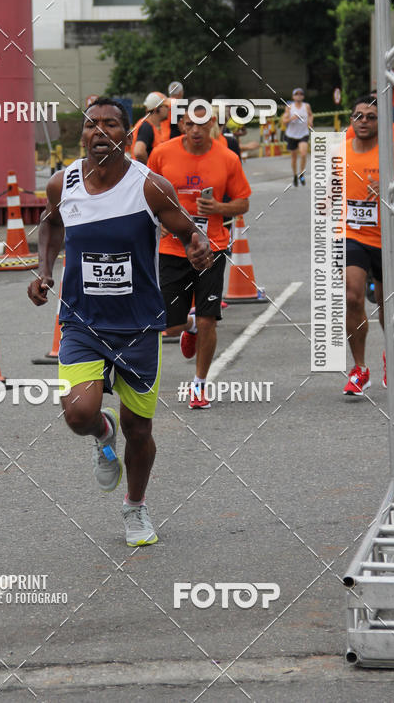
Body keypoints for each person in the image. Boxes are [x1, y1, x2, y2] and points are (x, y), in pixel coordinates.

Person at [27, 97, 212, 546]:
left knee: (141, 429)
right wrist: (44, 269)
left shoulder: (149, 186)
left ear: (127, 135)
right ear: (83, 135)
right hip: (82, 322)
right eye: (92, 124)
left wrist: (198, 243)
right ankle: (101, 432)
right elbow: (50, 226)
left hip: (138, 327)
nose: (100, 131)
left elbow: (188, 228)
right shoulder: (62, 183)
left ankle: (135, 507)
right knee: (79, 414)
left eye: (111, 124)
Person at [148, 101, 252, 409]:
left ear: (213, 125)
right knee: (172, 324)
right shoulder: (162, 154)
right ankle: (187, 327)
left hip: (213, 247)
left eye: (202, 124)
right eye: (190, 124)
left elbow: (243, 202)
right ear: (182, 125)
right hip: (173, 248)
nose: (196, 130)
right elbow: (144, 193)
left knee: (209, 319)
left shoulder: (227, 157)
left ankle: (199, 384)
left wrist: (220, 208)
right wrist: (159, 221)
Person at [344, 95, 394, 394]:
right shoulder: (340, 153)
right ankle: (359, 369)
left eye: (371, 116)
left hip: (390, 240)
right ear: (351, 120)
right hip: (353, 237)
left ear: (382, 122)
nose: (363, 121)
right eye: (358, 116)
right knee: (352, 296)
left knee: (388, 308)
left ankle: (391, 355)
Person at [283, 88, 313, 186]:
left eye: (301, 94)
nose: (299, 95)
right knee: (294, 157)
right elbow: (284, 120)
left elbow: (310, 115)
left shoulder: (306, 106)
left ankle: (301, 174)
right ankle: (295, 175)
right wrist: (292, 118)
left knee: (304, 154)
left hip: (303, 134)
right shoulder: (289, 107)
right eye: (296, 94)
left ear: (303, 96)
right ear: (293, 97)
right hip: (292, 135)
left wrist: (310, 122)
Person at [130, 92, 169, 163]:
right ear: (156, 109)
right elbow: (139, 151)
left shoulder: (148, 125)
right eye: (165, 106)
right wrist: (149, 168)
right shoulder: (146, 127)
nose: (168, 109)